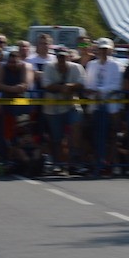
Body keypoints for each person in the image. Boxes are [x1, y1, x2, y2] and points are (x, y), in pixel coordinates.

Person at [81, 38, 123, 178]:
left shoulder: (116, 65)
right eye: (101, 49)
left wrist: (100, 91)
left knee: (111, 136)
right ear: (97, 50)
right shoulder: (92, 65)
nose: (104, 52)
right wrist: (91, 91)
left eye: (106, 49)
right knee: (94, 135)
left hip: (111, 106)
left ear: (110, 50)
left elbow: (117, 85)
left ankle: (112, 165)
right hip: (94, 105)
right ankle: (97, 163)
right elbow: (88, 83)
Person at [41, 45, 83, 174]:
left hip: (71, 105)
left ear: (68, 57)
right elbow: (46, 85)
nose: (61, 59)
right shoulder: (49, 67)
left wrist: (69, 86)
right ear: (56, 57)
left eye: (64, 57)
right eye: (59, 56)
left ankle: (74, 163)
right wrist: (61, 88)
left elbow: (82, 83)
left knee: (76, 126)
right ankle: (58, 164)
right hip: (52, 107)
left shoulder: (76, 68)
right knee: (56, 137)